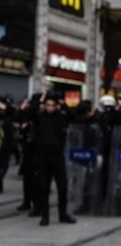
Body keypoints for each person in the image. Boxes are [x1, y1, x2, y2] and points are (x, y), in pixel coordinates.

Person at [33, 93, 77, 226]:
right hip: (43, 156)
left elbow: (73, 117)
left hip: (57, 156)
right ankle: (45, 216)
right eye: (48, 105)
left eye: (53, 105)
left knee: (62, 186)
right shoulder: (40, 117)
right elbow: (29, 112)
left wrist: (63, 104)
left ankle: (63, 214)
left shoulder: (60, 117)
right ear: (44, 105)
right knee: (44, 187)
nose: (50, 108)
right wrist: (40, 100)